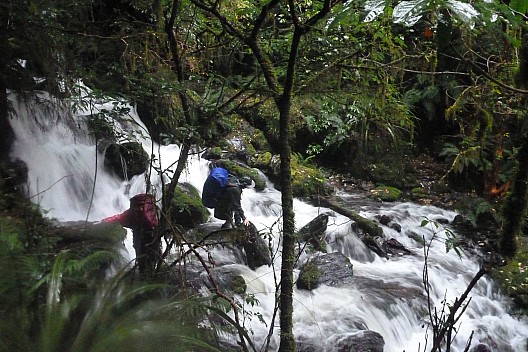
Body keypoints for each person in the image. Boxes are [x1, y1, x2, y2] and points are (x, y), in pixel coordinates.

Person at [102, 193, 160, 275]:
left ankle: (144, 276)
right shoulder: (153, 212)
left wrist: (103, 221)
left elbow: (119, 218)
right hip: (152, 237)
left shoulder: (132, 213)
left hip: (141, 239)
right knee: (151, 260)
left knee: (143, 261)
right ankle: (153, 275)